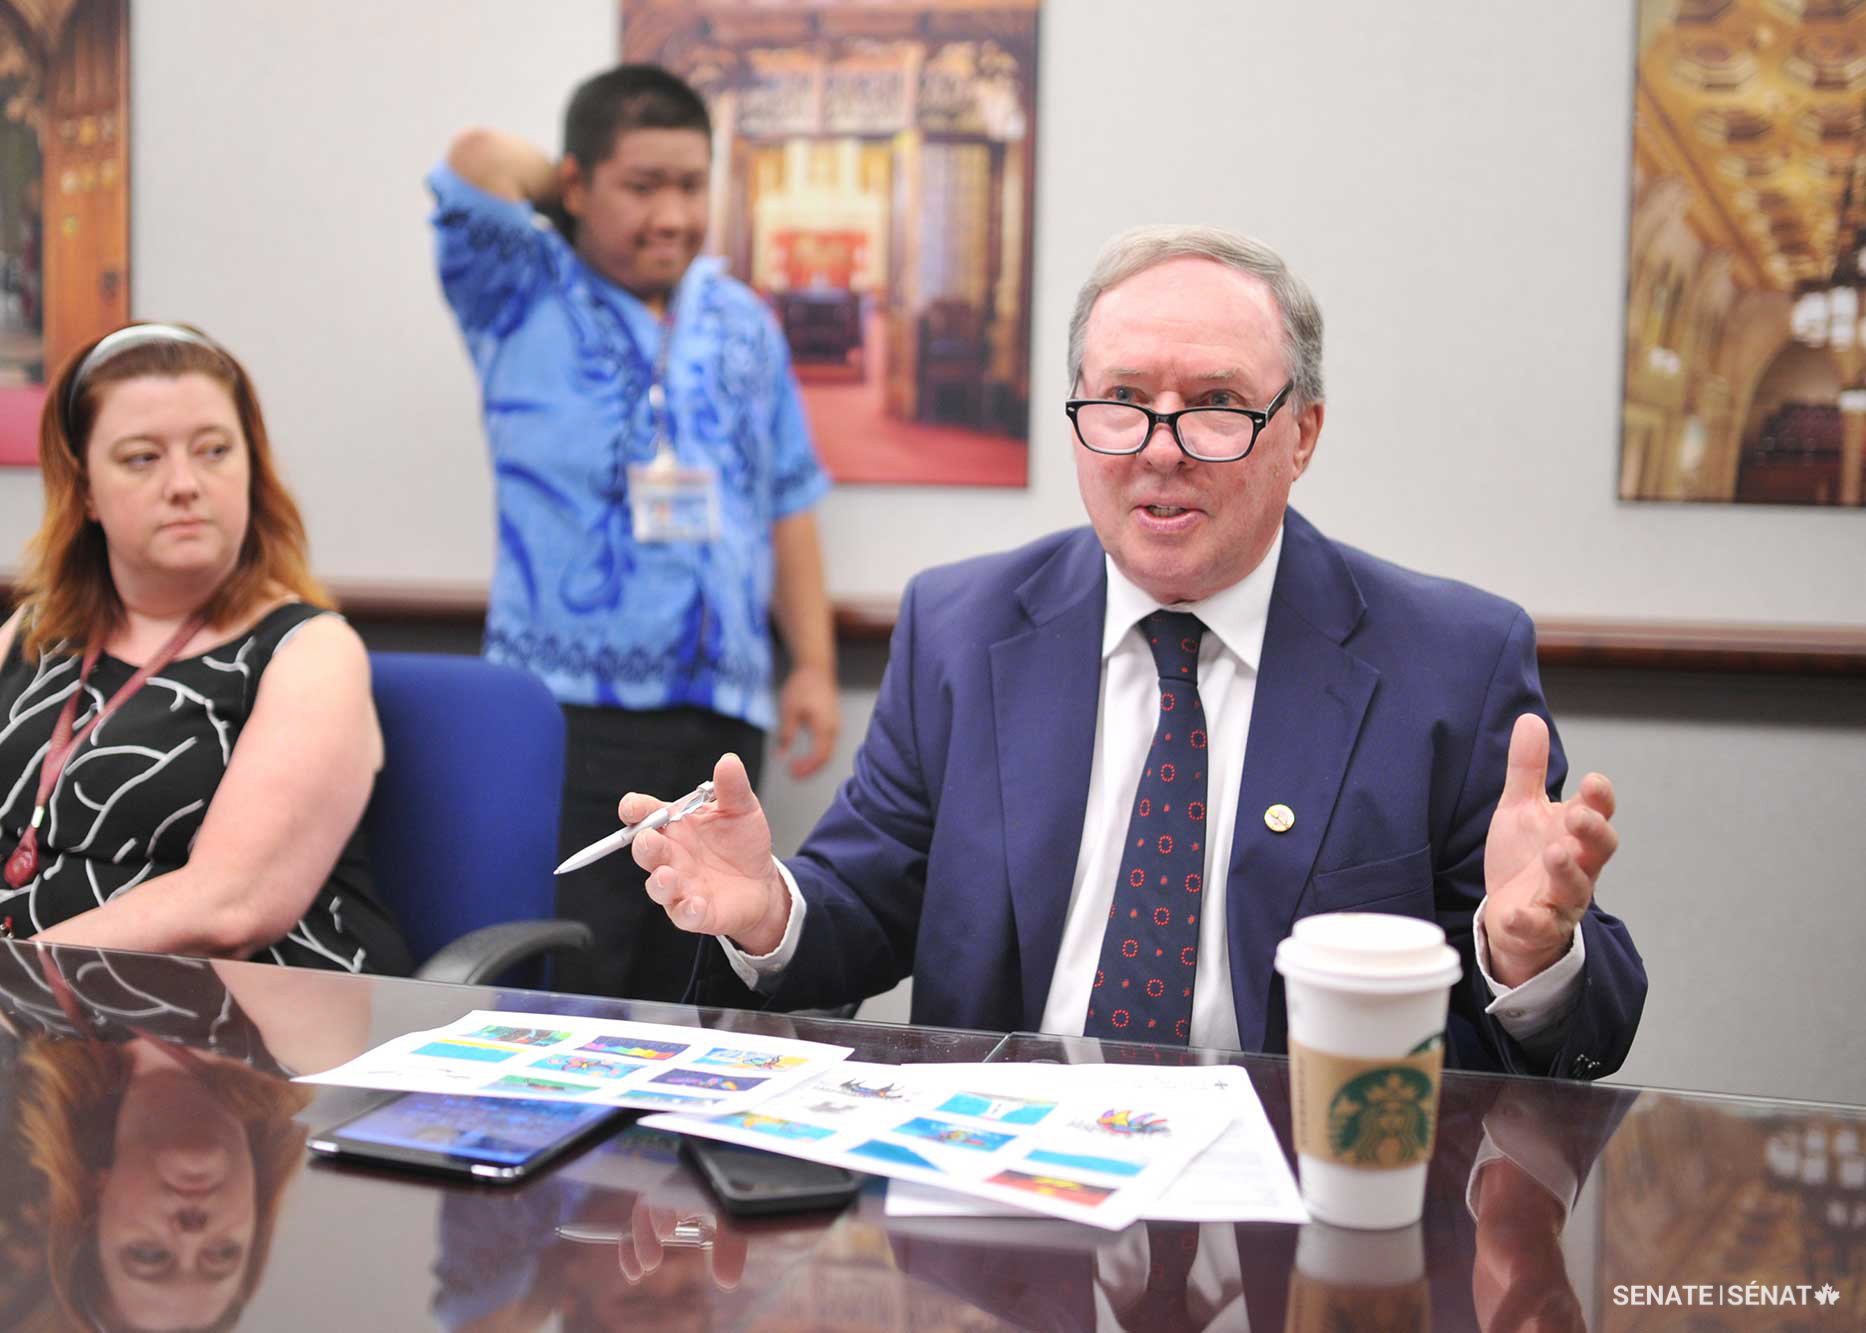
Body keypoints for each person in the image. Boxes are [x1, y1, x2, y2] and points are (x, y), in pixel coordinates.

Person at [623, 224, 1646, 1078]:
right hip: (1000, 1214)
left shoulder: (1450, 664)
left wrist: (1527, 954)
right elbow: (863, 901)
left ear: (1303, 435)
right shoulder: (962, 626)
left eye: (1214, 405)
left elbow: (1590, 1031)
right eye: (1121, 401)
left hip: (1301, 1214)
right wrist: (770, 912)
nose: (1159, 446)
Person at [430, 64, 837, 1004]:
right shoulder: (518, 289)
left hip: (722, 714)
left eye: (692, 185)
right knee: (574, 975)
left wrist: (812, 662)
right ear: (575, 186)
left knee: (698, 977)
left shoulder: (743, 319)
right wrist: (568, 201)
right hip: (569, 713)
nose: (672, 215)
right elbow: (472, 162)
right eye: (641, 185)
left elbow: (787, 495)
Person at [0, 322, 410, 972]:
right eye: (142, 458)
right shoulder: (31, 632)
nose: (185, 483)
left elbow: (229, 908)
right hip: (40, 1032)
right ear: (84, 490)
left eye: (214, 450)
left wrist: (17, 976)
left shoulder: (310, 651)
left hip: (235, 1031)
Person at [0, 940, 364, 1331]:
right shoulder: (317, 1050)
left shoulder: (30, 1029)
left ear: (94, 1202)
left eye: (149, 1255)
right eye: (222, 1253)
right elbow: (236, 916)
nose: (193, 1234)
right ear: (256, 1218)